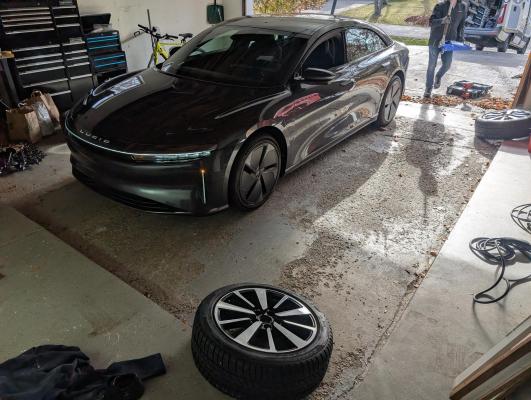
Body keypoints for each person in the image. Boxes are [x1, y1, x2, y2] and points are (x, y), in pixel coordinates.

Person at [425, 0, 468, 98]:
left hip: (449, 42)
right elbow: (431, 22)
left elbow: (461, 25)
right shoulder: (440, 5)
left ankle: (438, 76)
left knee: (447, 64)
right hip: (436, 40)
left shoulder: (462, 6)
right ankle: (428, 88)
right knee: (432, 65)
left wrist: (461, 37)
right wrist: (442, 20)